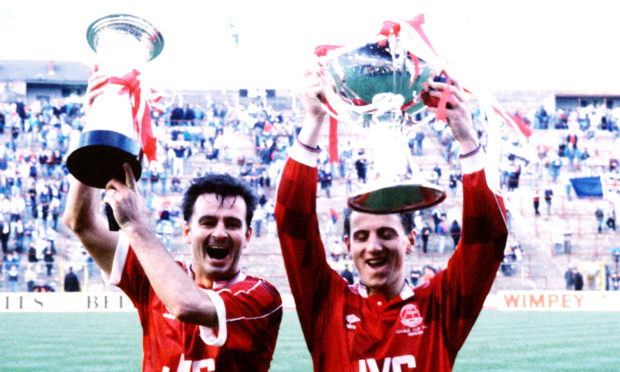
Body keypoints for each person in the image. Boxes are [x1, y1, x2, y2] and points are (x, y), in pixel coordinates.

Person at [275, 70, 508, 371]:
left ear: (410, 240)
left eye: (386, 233)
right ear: (347, 244)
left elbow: (488, 238)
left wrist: (466, 138)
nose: (373, 246)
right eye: (361, 236)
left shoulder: (439, 307)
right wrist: (313, 122)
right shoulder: (327, 305)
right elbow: (293, 225)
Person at [63, 67, 282, 372]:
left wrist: (136, 226)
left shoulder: (260, 297)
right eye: (208, 222)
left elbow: (186, 305)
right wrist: (98, 129)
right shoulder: (155, 275)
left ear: (248, 236)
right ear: (186, 231)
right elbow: (81, 223)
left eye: (232, 224)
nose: (220, 232)